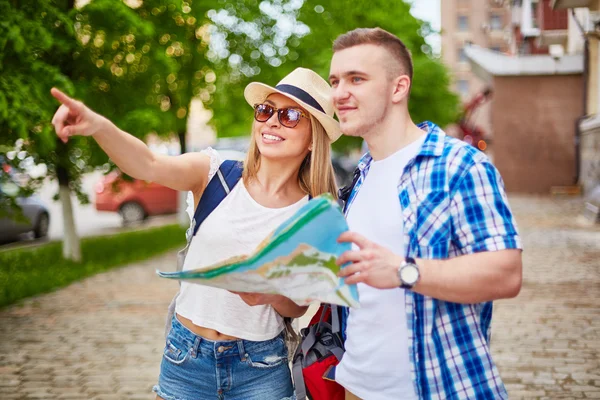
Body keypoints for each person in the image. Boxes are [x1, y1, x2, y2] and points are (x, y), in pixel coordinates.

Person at [50, 67, 341, 400]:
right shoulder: (216, 172)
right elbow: (148, 164)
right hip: (186, 357)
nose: (272, 121)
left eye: (290, 115)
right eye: (265, 110)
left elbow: (296, 307)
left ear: (313, 139)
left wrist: (267, 293)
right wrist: (99, 126)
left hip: (261, 367)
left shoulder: (314, 212)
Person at [329, 28, 523, 400]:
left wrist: (404, 271)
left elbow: (506, 272)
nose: (339, 92)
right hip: (354, 385)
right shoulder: (362, 173)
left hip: (436, 387)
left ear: (398, 88)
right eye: (335, 80)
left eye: (357, 79)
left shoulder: (460, 165)